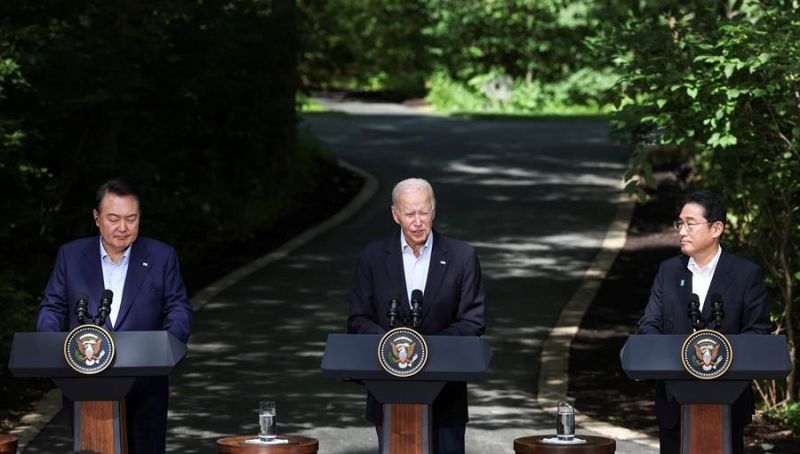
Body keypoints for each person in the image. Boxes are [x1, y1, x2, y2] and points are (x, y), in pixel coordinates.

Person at [37, 177, 193, 454]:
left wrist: (169, 346)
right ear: (97, 218)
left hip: (146, 385)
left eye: (131, 219)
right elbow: (53, 307)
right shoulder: (71, 256)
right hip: (84, 382)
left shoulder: (161, 256)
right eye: (113, 218)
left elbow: (178, 307)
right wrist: (53, 349)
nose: (123, 228)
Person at [348, 178, 486, 454]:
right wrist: (394, 345)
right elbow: (358, 319)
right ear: (395, 214)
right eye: (409, 213)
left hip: (446, 394)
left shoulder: (462, 256)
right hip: (389, 391)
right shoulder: (372, 257)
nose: (417, 221)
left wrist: (425, 349)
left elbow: (473, 321)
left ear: (434, 211)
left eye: (423, 212)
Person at [637, 190, 771, 454]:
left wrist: (719, 358)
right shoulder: (669, 271)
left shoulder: (746, 274)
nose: (682, 231)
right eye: (680, 223)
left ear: (716, 228)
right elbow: (649, 324)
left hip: (728, 404)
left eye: (691, 223)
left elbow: (759, 332)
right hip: (674, 403)